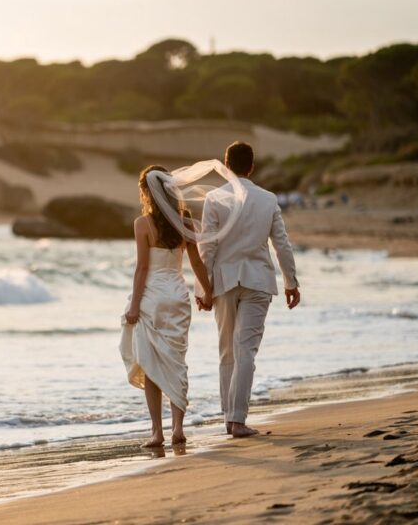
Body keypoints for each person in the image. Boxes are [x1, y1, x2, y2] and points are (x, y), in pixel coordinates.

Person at [196, 142, 300, 438]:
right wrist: (290, 282)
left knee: (227, 350)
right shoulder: (267, 199)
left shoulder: (214, 198)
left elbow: (207, 247)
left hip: (224, 282)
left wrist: (204, 289)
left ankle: (231, 418)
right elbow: (281, 244)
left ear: (225, 166)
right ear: (252, 167)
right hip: (257, 282)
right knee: (246, 351)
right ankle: (237, 420)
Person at [120, 165, 213, 448]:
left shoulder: (142, 224)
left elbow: (142, 268)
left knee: (150, 365)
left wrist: (134, 306)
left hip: (152, 297)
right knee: (176, 360)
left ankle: (157, 432)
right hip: (177, 294)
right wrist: (208, 292)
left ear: (147, 192)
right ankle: (178, 429)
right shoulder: (183, 219)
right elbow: (196, 262)